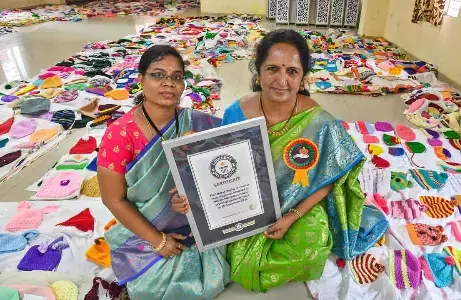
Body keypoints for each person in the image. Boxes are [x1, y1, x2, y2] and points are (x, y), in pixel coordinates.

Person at [219, 29, 387, 292]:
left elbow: (328, 177)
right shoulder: (236, 113)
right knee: (228, 252)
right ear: (258, 71)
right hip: (247, 204)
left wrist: (291, 216)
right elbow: (224, 168)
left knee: (314, 244)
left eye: (292, 72)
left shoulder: (318, 122)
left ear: (302, 77)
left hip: (299, 202)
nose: (281, 80)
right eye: (272, 69)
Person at [97, 45, 230, 299]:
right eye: (158, 75)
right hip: (147, 227)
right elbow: (112, 199)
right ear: (140, 80)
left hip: (196, 221)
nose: (168, 83)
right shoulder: (120, 134)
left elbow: (223, 168)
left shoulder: (198, 123)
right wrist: (158, 240)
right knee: (153, 289)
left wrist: (195, 196)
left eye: (176, 77)